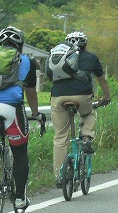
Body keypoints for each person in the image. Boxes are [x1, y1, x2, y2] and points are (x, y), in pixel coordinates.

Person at [0, 26, 42, 210]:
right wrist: (35, 114)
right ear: (20, 45)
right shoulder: (27, 61)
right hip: (11, 107)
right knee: (20, 152)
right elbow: (31, 94)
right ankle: (20, 198)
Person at [47, 31, 111, 188]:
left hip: (58, 97)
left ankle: (60, 176)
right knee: (88, 114)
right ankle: (86, 138)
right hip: (82, 96)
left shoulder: (60, 57)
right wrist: (106, 97)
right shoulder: (91, 57)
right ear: (85, 44)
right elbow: (101, 79)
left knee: (60, 136)